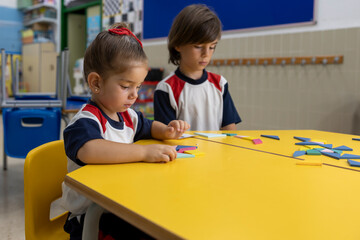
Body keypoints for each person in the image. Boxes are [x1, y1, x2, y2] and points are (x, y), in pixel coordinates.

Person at [60, 22, 190, 240]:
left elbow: (149, 127)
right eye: (125, 86)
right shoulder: (85, 121)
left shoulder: (128, 116)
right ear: (96, 83)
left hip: (118, 203)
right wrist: (144, 153)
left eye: (138, 86)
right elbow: (91, 150)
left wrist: (167, 130)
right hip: (89, 218)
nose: (134, 95)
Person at [154, 4, 241, 131]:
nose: (206, 53)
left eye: (212, 47)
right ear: (178, 44)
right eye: (198, 46)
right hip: (183, 151)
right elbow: (166, 136)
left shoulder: (220, 84)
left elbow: (229, 128)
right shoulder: (166, 89)